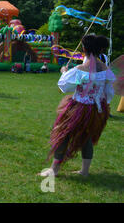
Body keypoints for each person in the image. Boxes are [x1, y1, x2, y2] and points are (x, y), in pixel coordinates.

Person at [40, 35, 116, 177]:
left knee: (63, 135)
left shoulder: (81, 69)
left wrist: (63, 72)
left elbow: (64, 86)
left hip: (78, 108)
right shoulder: (106, 70)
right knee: (87, 137)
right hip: (97, 109)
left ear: (84, 48)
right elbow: (109, 92)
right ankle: (84, 171)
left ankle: (54, 170)